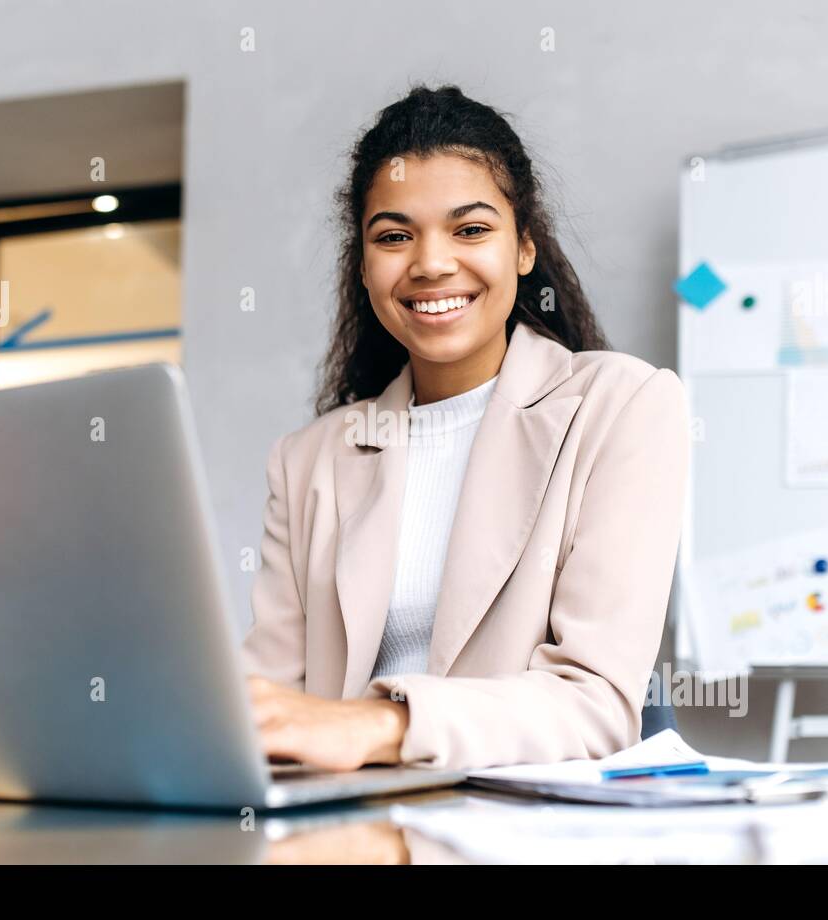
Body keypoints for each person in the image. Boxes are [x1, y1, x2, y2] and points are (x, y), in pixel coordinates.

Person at [241, 84, 690, 772]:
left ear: (524, 248)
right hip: (341, 825)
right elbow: (269, 702)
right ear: (364, 267)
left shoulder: (624, 407)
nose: (430, 262)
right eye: (394, 236)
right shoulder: (308, 462)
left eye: (471, 229)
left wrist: (379, 724)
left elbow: (596, 703)